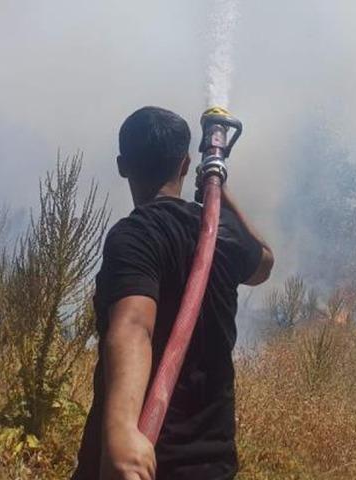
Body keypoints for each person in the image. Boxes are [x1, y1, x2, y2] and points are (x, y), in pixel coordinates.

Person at [72, 106, 274, 480]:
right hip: (210, 465)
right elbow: (263, 261)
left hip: (138, 463)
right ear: (184, 165)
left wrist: (121, 432)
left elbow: (134, 326)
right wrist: (222, 197)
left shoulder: (135, 236)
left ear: (122, 165)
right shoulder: (220, 239)